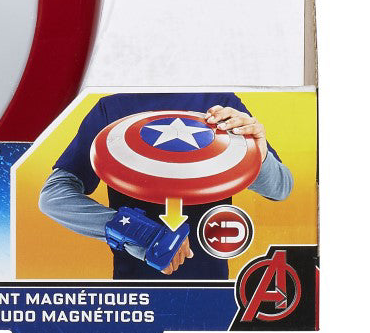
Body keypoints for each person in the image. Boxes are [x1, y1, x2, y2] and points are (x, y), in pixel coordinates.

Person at [38, 92, 292, 279]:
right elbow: (54, 196)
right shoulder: (112, 106)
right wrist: (142, 233)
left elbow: (281, 188)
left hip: (211, 285)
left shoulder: (222, 102)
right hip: (137, 288)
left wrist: (259, 155)